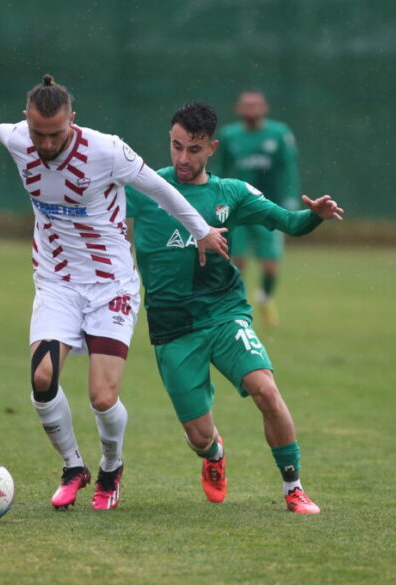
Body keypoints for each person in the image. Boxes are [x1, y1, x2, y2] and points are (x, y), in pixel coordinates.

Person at [0, 76, 229, 510]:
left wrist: (200, 231)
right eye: (38, 133)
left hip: (111, 285)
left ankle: (111, 468)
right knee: (41, 378)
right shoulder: (19, 138)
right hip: (56, 282)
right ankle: (73, 467)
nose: (46, 143)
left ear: (73, 120)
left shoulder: (106, 151)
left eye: (55, 133)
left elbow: (161, 190)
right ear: (26, 122)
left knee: (102, 397)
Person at [125, 102, 343, 514]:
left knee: (266, 390)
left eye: (193, 149)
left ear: (212, 148)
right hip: (172, 327)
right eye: (175, 147)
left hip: (224, 313)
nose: (182, 158)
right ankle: (214, 454)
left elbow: (289, 223)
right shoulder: (147, 189)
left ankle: (293, 487)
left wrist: (314, 217)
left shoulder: (232, 194)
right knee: (199, 435)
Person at [217, 90, 300, 327]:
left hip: (269, 209)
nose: (251, 109)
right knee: (236, 263)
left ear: (265, 108)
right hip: (239, 211)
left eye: (256, 105)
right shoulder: (230, 135)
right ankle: (235, 309)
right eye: (246, 105)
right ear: (238, 109)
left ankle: (264, 298)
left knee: (270, 265)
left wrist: (291, 199)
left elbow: (289, 168)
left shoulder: (279, 133)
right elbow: (221, 171)